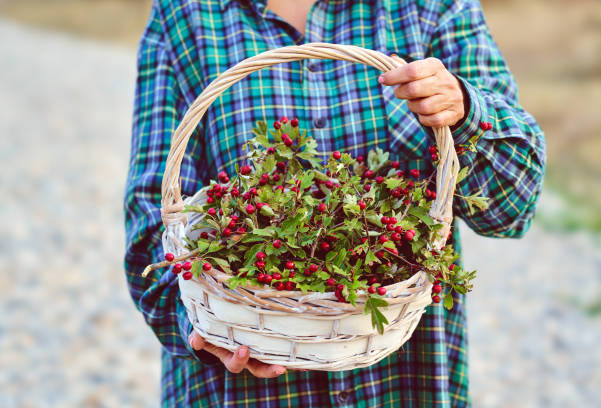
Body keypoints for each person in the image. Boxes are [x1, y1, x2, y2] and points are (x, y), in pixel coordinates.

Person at [124, 0, 545, 406]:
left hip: (403, 381)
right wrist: (202, 328)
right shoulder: (185, 14)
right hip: (244, 387)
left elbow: (513, 209)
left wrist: (464, 109)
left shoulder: (429, 6)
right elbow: (152, 214)